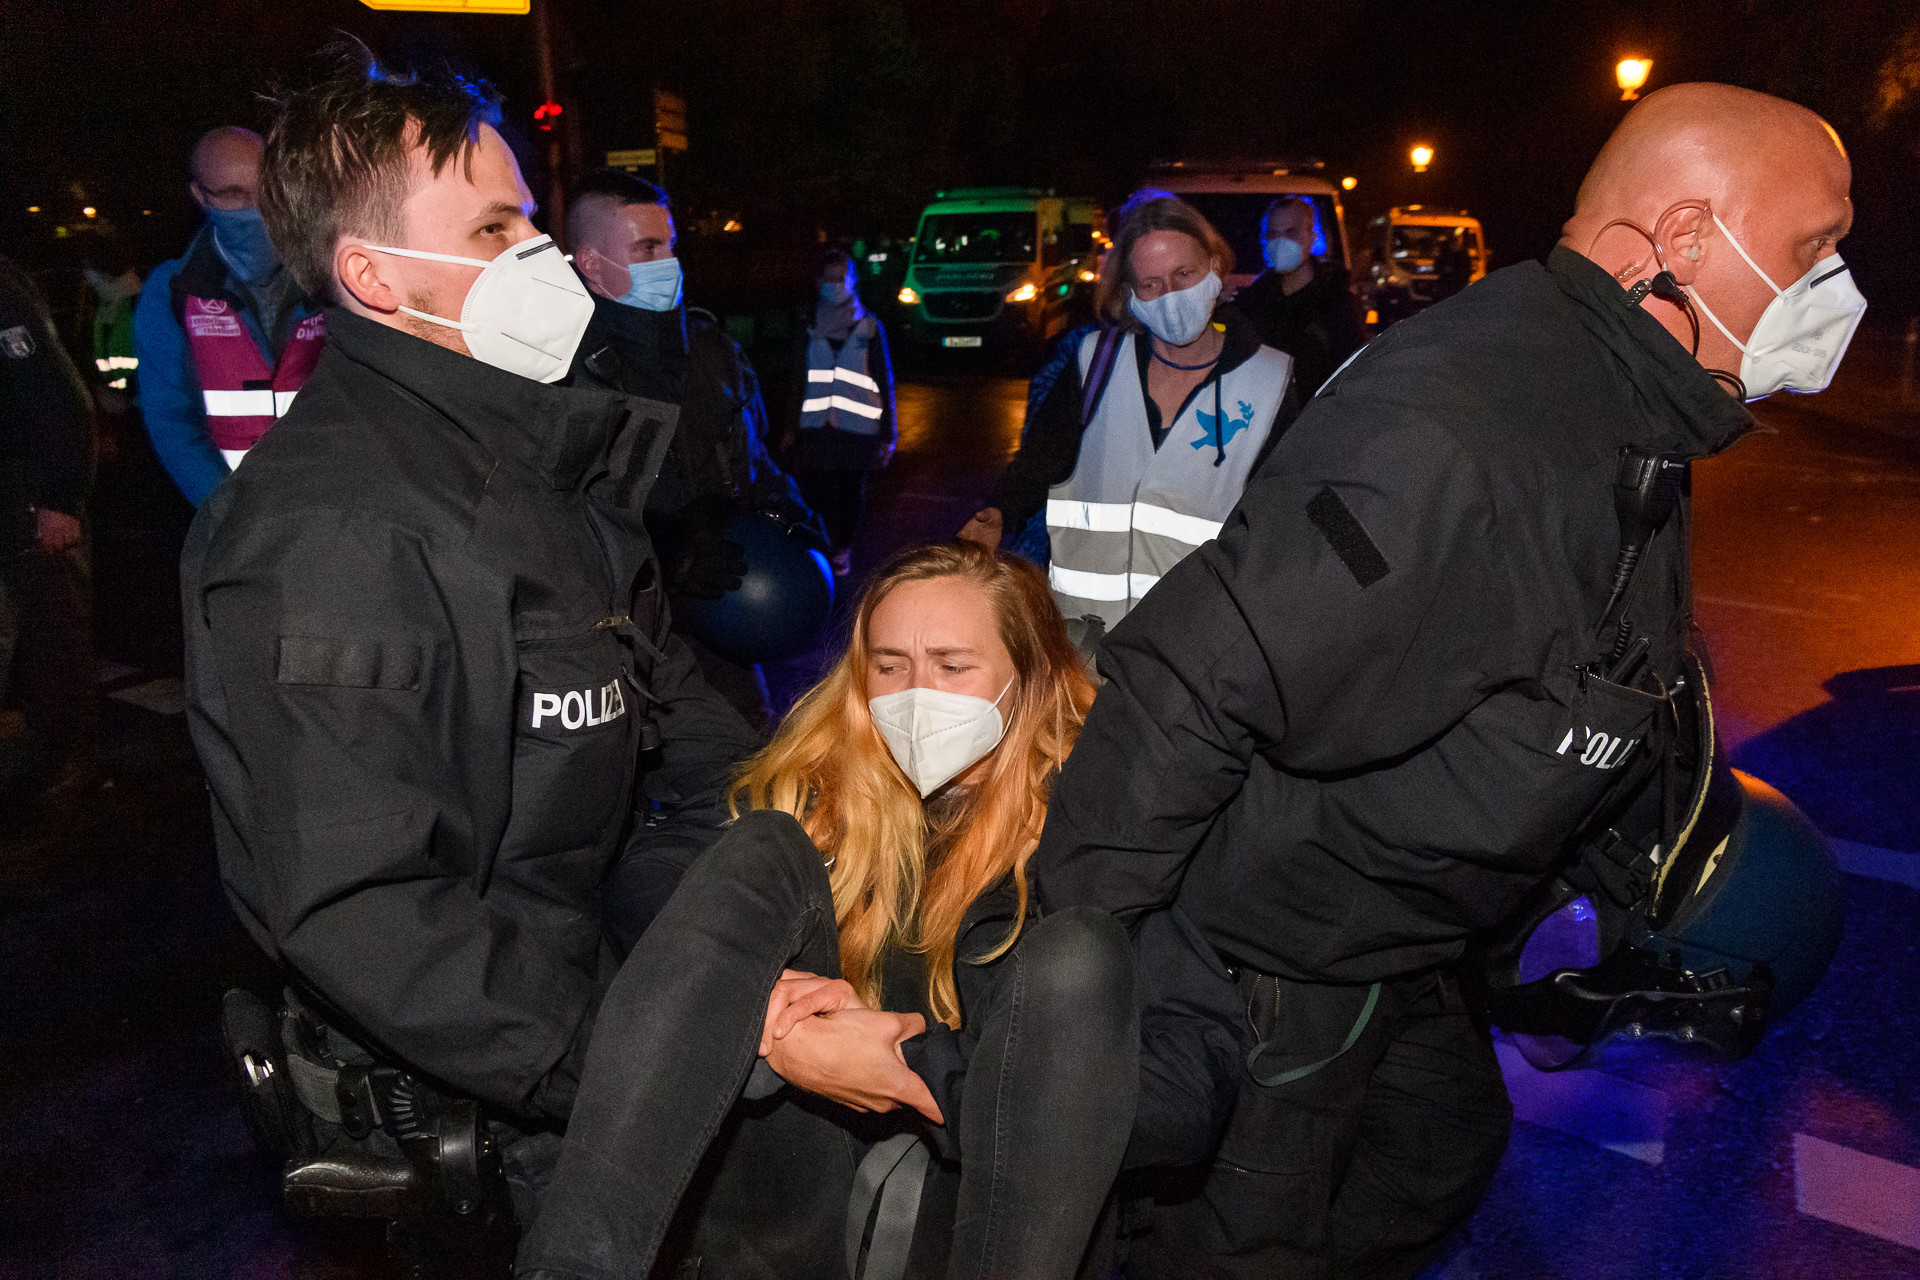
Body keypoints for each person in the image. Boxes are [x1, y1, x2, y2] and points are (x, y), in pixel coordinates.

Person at [1032, 82, 1863, 1279]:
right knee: (1248, 1245)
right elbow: (1192, 677)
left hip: (1403, 940)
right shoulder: (1465, 421)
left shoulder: (1620, 402)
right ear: (1686, 239)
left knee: (1436, 1147)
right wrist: (1083, 990)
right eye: (1813, 249)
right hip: (1281, 955)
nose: (1835, 289)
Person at [182, 47, 757, 1220]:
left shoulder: (530, 456)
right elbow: (365, 902)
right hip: (503, 1102)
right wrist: (648, 1055)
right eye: (496, 231)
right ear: (376, 278)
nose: (537, 257)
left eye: (531, 224)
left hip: (594, 996)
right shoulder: (331, 532)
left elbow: (667, 705)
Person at [521, 540, 1163, 1280]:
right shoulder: (824, 782)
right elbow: (662, 880)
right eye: (890, 666)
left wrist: (901, 1069)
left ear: (1029, 678)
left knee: (1078, 954)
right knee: (762, 845)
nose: (917, 694)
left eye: (953, 666)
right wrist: (762, 1015)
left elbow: (1180, 1096)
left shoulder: (1112, 832)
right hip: (799, 1204)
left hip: (993, 1214)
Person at [958, 193, 1297, 643]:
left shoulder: (1270, 380)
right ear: (1130, 294)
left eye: (1184, 274)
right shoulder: (1092, 363)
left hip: (1194, 653)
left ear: (1215, 267)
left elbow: (1283, 523)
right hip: (1080, 647)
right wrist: (998, 512)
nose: (1170, 296)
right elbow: (1039, 461)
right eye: (1151, 283)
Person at [565, 168, 825, 730]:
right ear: (590, 265)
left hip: (718, 627)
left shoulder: (712, 352)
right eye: (647, 247)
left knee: (749, 771)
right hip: (610, 645)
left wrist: (788, 511)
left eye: (671, 245)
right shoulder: (561, 371)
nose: (669, 262)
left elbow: (752, 461)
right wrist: (660, 548)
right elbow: (552, 511)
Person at [133, 125, 324, 505]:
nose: (256, 206)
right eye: (234, 195)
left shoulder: (331, 274)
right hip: (234, 526)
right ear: (200, 196)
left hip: (336, 515)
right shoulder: (173, 291)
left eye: (266, 188)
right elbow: (173, 420)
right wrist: (229, 513)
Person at [0, 254, 97, 804]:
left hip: (29, 492)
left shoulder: (4, 291)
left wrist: (60, 499)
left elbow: (57, 396)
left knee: (51, 626)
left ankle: (66, 760)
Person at [783, 248, 897, 578]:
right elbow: (797, 377)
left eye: (841, 278)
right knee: (814, 490)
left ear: (853, 280)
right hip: (815, 426)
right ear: (819, 281)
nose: (835, 285)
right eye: (829, 278)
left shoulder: (869, 326)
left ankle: (842, 549)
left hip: (857, 427)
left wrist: (889, 434)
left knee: (849, 492)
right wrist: (790, 427)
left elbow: (883, 379)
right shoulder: (807, 325)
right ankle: (818, 547)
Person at [1232, 195, 1366, 399]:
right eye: (1273, 234)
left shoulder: (1337, 304)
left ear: (1311, 239)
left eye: (1291, 233)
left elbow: (1353, 378)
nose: (1280, 242)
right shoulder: (1251, 303)